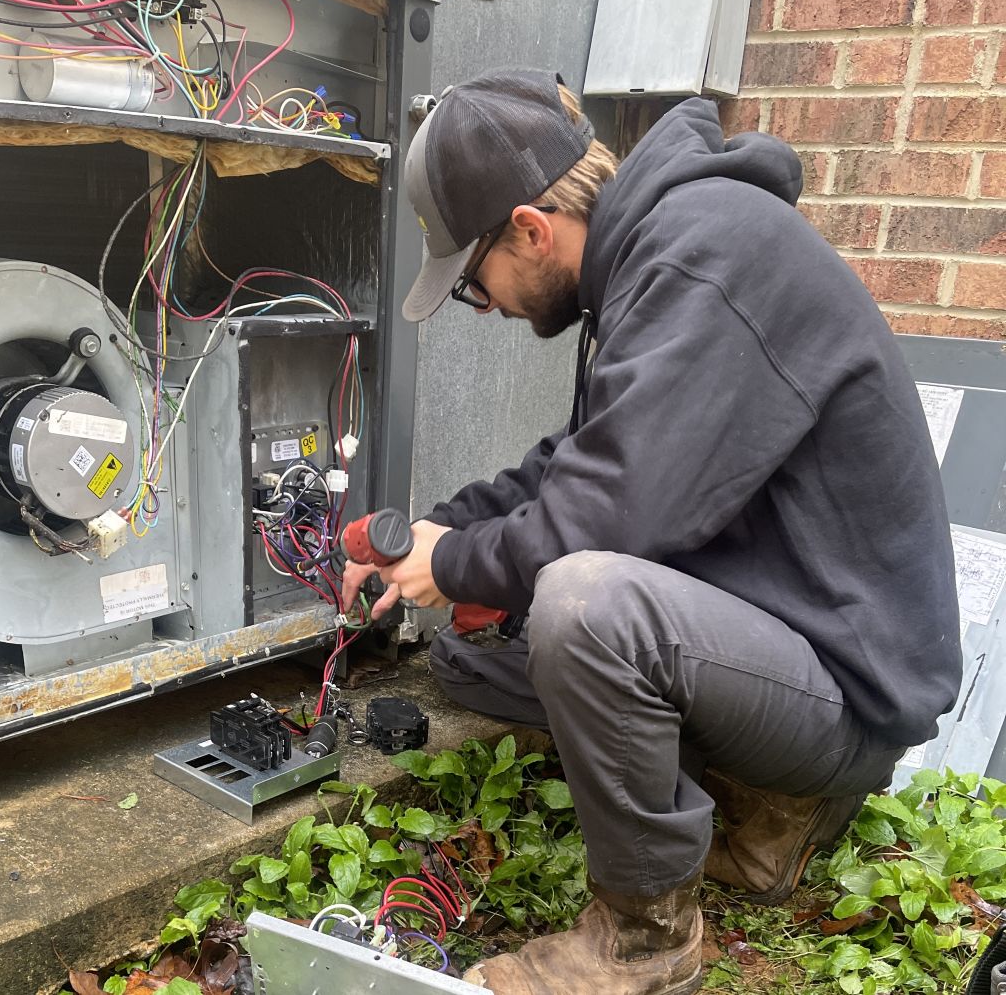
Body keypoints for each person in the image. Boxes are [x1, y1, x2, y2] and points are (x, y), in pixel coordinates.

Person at [340, 68, 963, 995]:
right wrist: (442, 529)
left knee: (583, 606)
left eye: (475, 285)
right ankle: (766, 814)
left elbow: (605, 518)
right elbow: (573, 463)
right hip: (786, 629)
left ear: (530, 229)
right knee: (479, 661)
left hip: (849, 691)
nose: (490, 306)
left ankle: (646, 941)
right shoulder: (654, 257)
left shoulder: (704, 261)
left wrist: (458, 564)